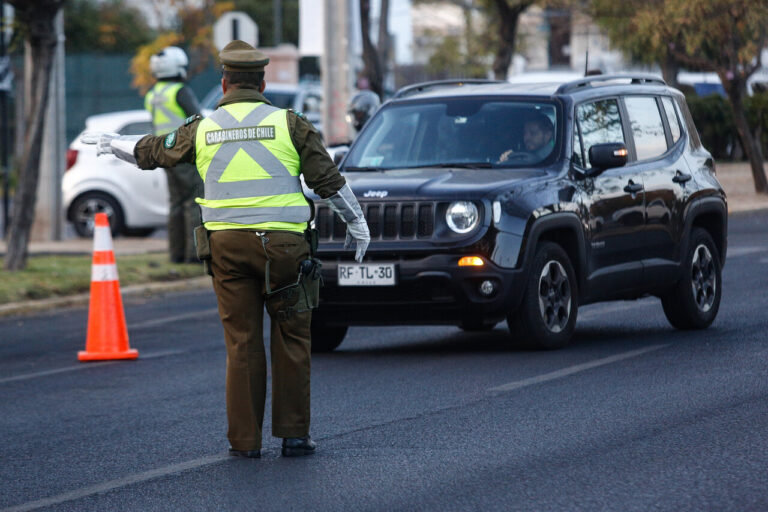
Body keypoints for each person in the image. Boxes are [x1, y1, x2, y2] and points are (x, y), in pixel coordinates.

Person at [83, 40, 371, 458]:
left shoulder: (202, 127)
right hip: (285, 250)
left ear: (223, 83)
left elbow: (152, 152)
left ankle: (245, 441)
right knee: (292, 338)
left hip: (227, 249)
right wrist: (357, 224)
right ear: (263, 81)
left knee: (241, 342)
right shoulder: (289, 123)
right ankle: (293, 435)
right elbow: (329, 181)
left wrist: (114, 143)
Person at [145, 46, 203, 263]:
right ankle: (195, 255)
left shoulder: (153, 94)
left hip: (164, 152)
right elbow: (198, 120)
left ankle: (176, 255)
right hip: (185, 153)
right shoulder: (180, 91)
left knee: (176, 204)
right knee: (193, 202)